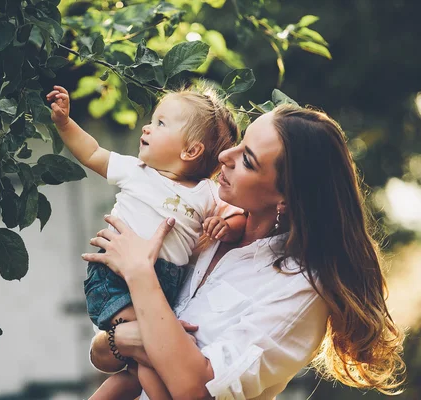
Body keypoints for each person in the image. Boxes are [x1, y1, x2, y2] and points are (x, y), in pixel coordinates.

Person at [85, 105, 406, 399]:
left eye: (248, 160)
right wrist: (126, 338)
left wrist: (140, 274)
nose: (226, 156)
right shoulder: (201, 222)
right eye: (240, 143)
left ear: (285, 198)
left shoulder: (299, 288)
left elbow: (195, 389)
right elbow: (101, 352)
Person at [47, 84, 246, 399]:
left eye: (161, 124)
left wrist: (227, 225)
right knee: (151, 355)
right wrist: (64, 123)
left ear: (190, 151)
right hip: (115, 278)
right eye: (154, 120)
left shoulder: (206, 193)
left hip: (163, 284)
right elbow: (92, 152)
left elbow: (237, 215)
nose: (147, 127)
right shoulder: (136, 171)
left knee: (138, 368)